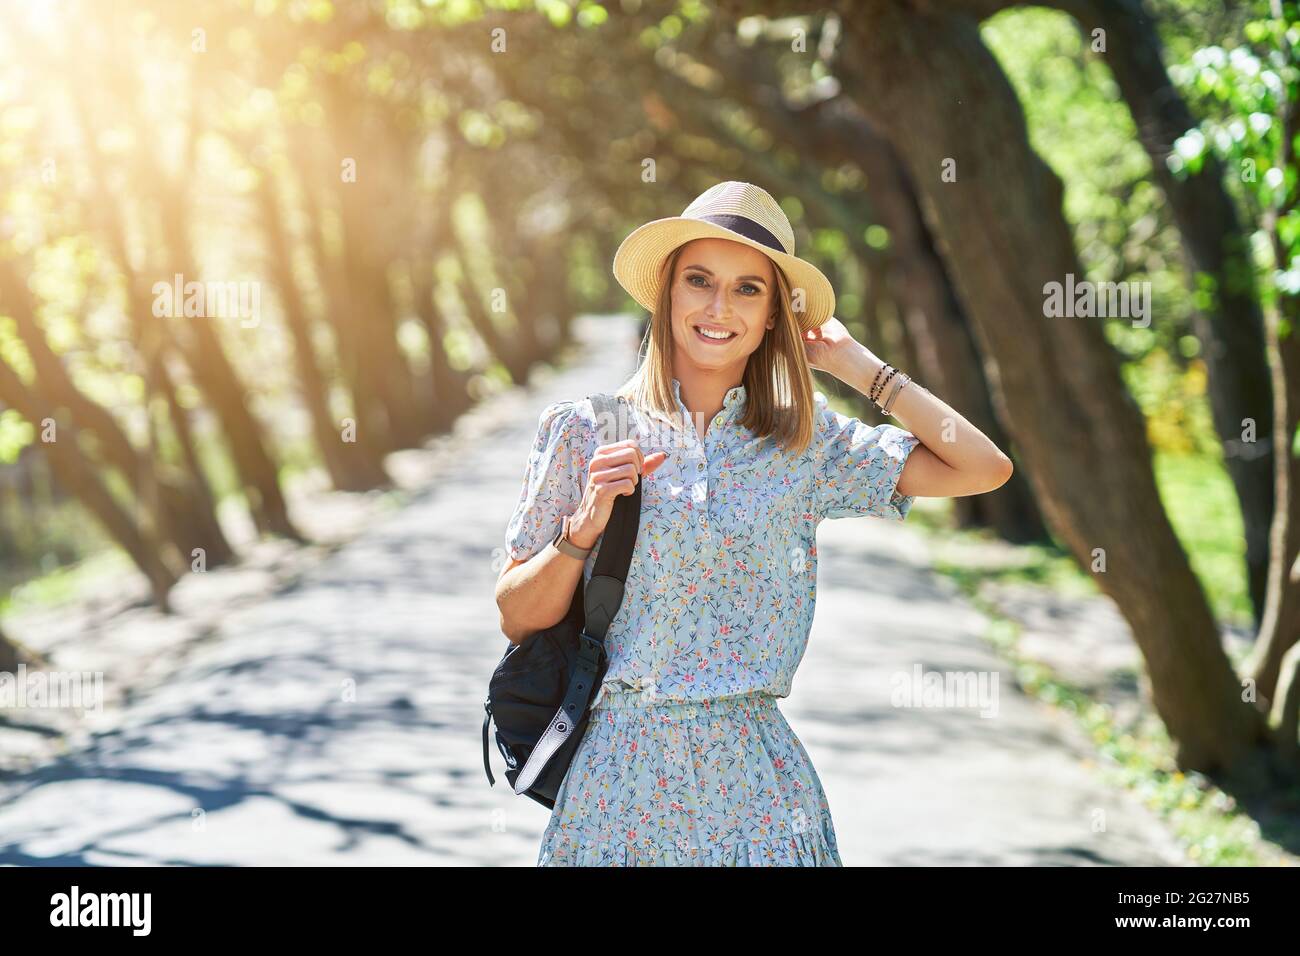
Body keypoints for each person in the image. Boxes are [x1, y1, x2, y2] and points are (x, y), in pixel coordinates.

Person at [495, 181, 1013, 866]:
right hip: (616, 788)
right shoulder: (587, 429)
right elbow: (516, 617)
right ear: (667, 295)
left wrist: (860, 369)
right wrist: (581, 531)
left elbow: (983, 467)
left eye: (747, 290)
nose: (718, 307)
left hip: (760, 796)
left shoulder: (804, 445)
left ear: (773, 315)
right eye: (699, 281)